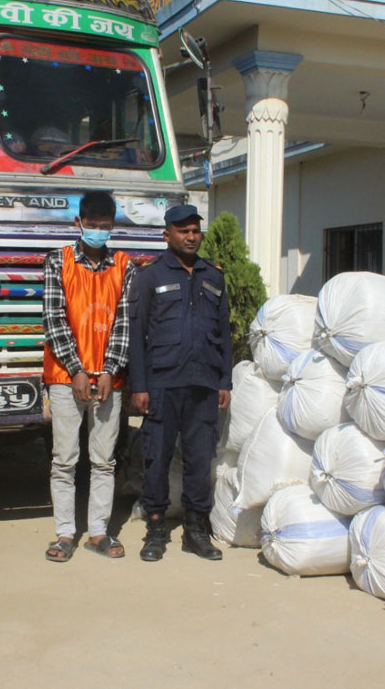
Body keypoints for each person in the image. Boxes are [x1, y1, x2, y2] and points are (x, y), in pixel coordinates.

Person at [127, 204, 232, 562]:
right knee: (156, 458)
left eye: (195, 230)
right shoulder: (150, 277)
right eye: (183, 231)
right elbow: (137, 336)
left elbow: (224, 334)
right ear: (167, 234)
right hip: (161, 383)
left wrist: (225, 380)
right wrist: (138, 386)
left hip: (203, 383)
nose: (191, 237)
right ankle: (155, 528)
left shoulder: (214, 276)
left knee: (200, 460)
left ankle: (195, 531)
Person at [41, 191, 137, 562]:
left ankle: (98, 532)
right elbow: (54, 319)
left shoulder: (124, 265)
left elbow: (124, 324)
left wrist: (108, 371)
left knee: (104, 460)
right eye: (92, 224)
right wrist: (78, 369)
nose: (98, 231)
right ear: (78, 223)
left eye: (105, 225)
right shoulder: (57, 261)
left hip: (107, 379)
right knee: (64, 459)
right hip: (66, 377)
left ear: (113, 225)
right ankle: (64, 534)